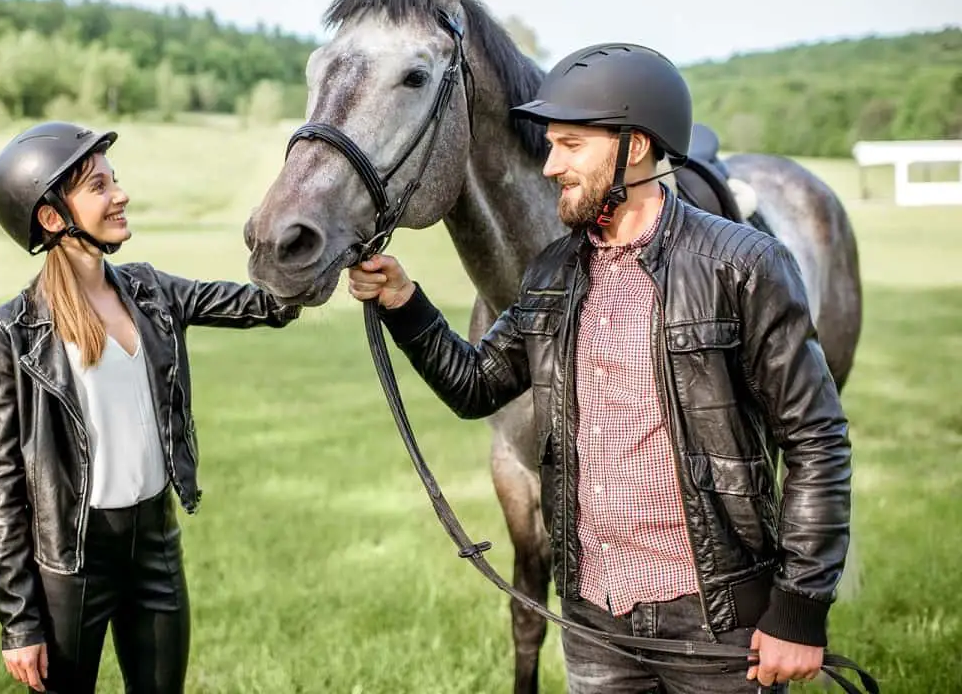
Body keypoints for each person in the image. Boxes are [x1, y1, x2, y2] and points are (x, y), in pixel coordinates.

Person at [347, 43, 851, 693]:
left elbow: (816, 438)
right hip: (593, 617)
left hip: (719, 616)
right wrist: (403, 302)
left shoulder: (743, 263)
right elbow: (477, 387)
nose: (551, 164)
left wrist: (800, 611)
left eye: (571, 145)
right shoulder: (553, 273)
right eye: (550, 144)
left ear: (634, 147)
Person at [0, 121, 300, 693]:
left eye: (114, 180)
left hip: (156, 545)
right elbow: (4, 485)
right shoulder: (13, 332)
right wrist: (19, 621)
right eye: (98, 186)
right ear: (53, 217)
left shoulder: (152, 290)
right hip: (71, 564)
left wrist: (329, 253)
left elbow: (265, 305)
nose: (120, 194)